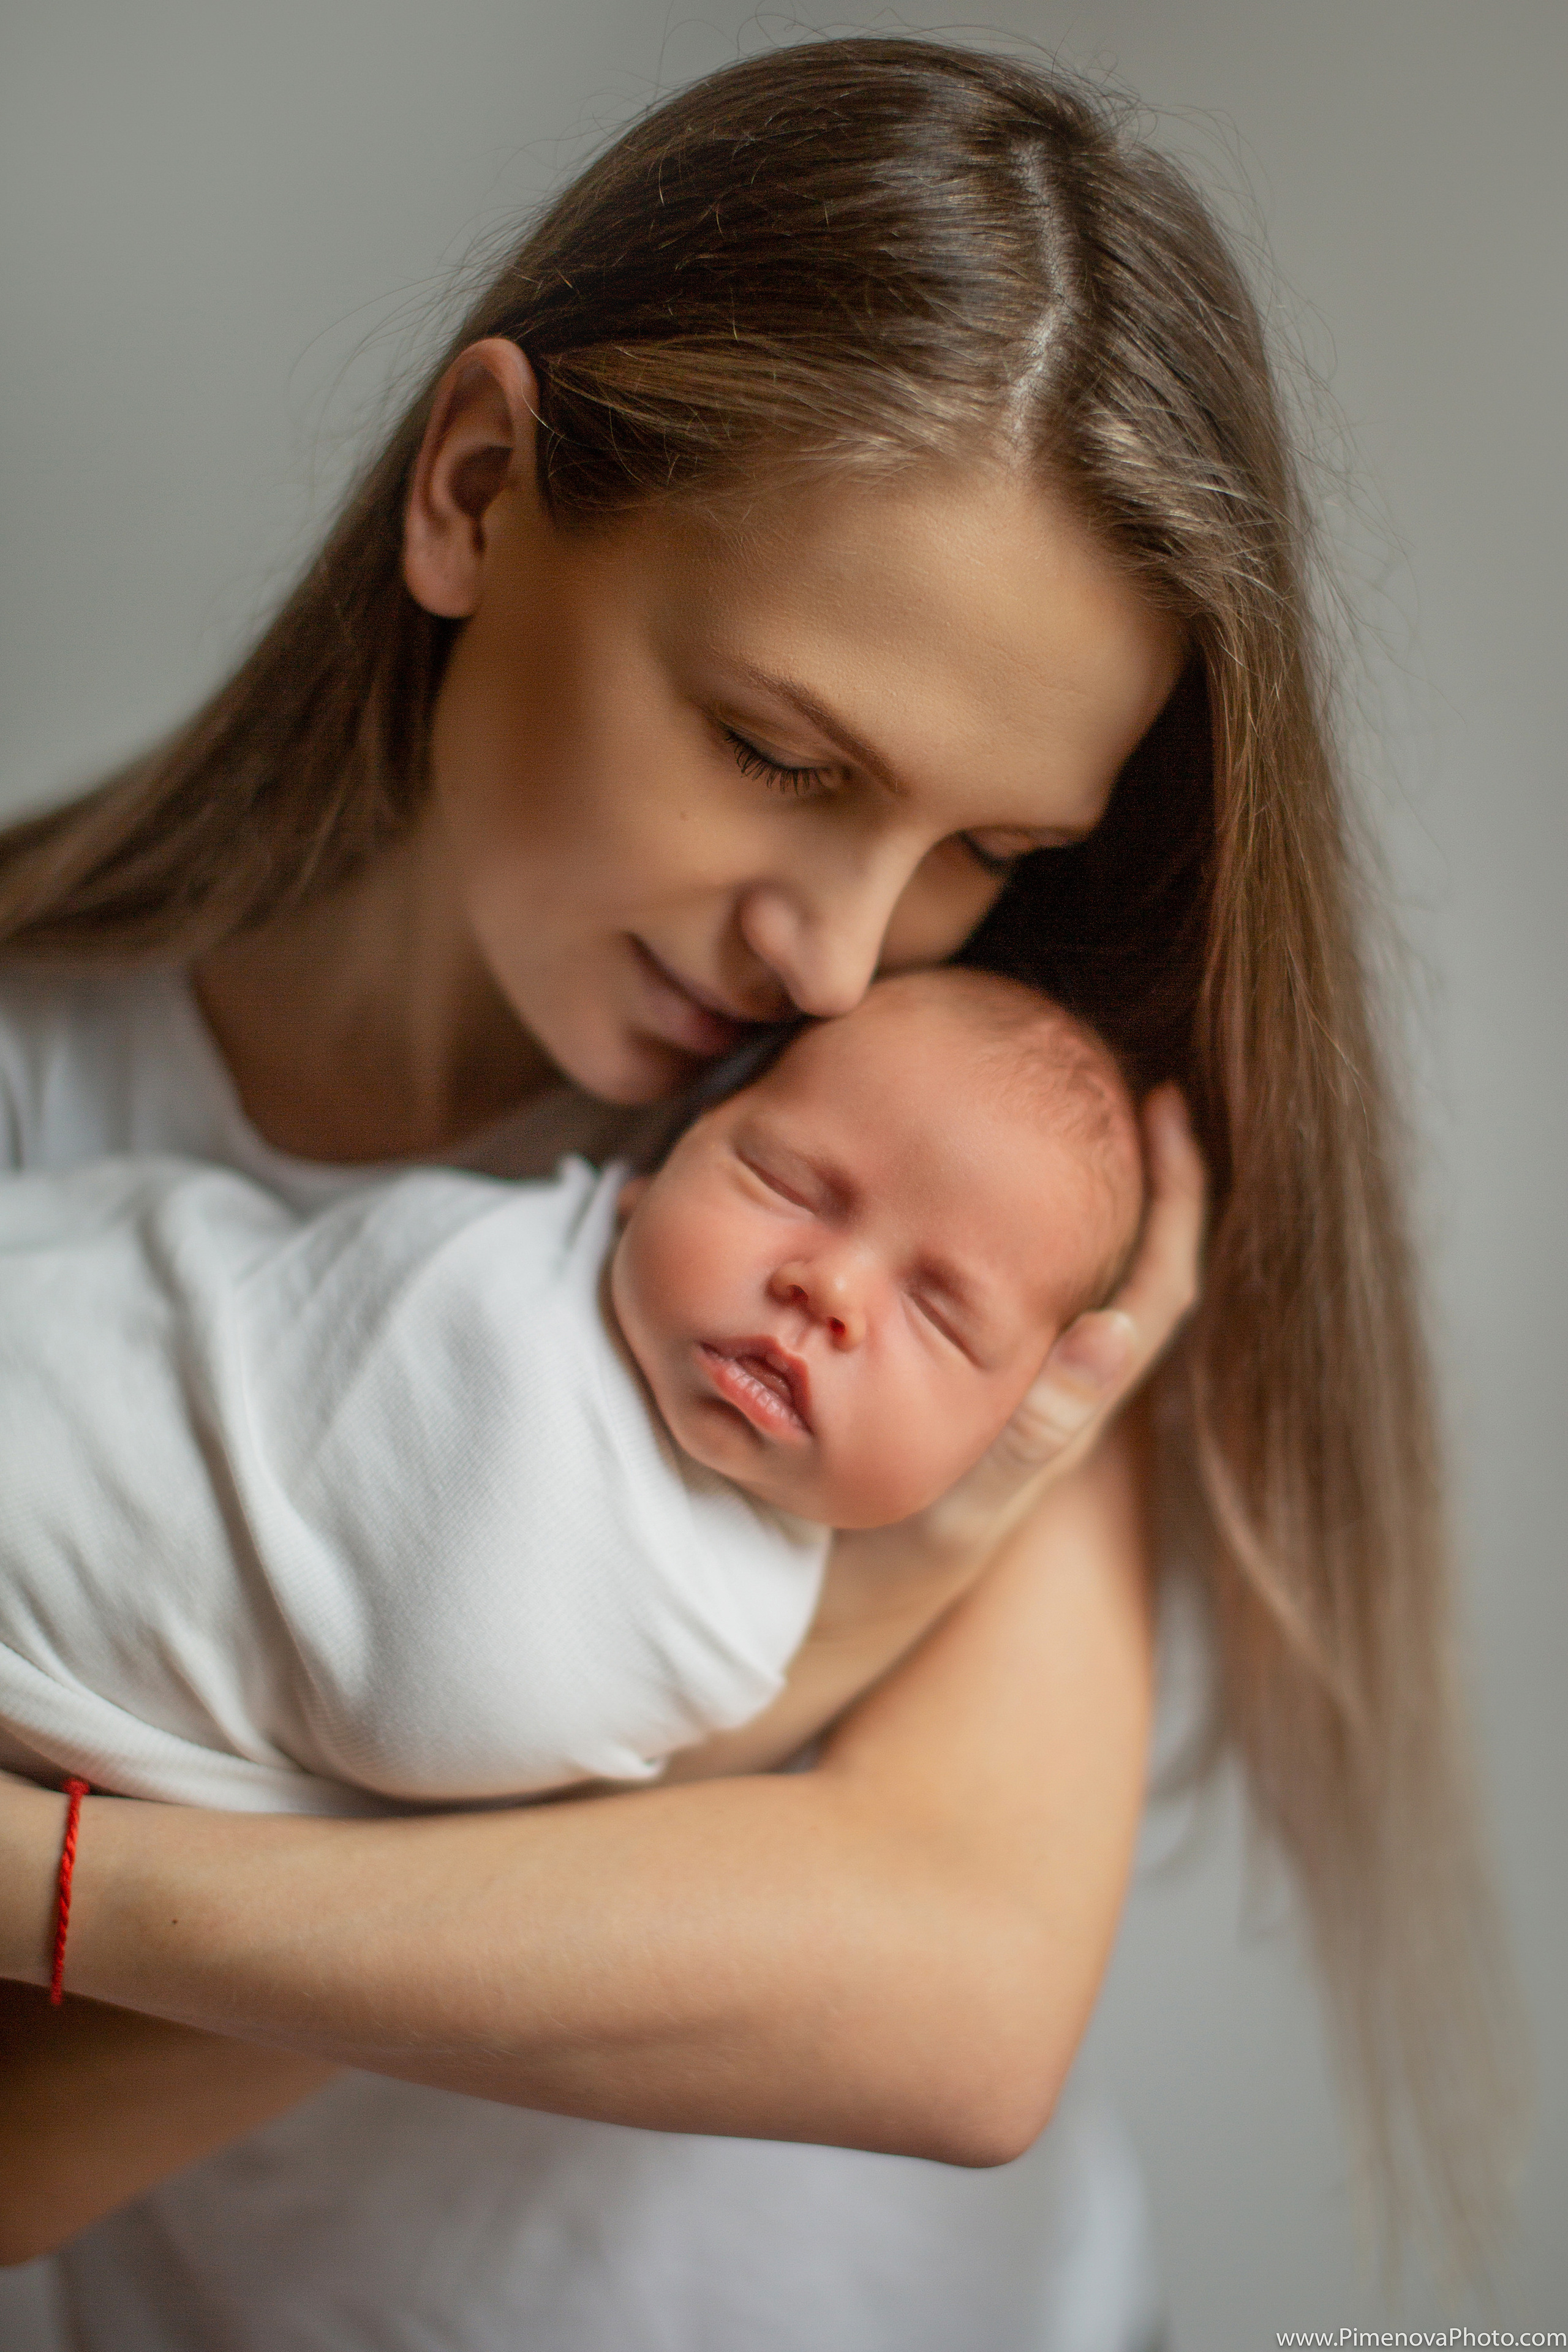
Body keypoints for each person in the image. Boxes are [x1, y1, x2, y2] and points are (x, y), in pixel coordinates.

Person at [0, 35, 1508, 2350]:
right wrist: (844, 1634)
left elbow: (944, 2005)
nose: (835, 945)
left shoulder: (939, 1175)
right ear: (481, 493)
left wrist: (62, 1882)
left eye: (989, 852)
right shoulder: (44, 1069)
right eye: (780, 755)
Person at [0, 971, 1142, 1815]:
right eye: (784, 1181)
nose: (829, 1284)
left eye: (940, 1313)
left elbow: (435, 1756)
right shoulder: (536, 1249)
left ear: (1015, 1424)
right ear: (657, 1170)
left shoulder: (739, 1632)